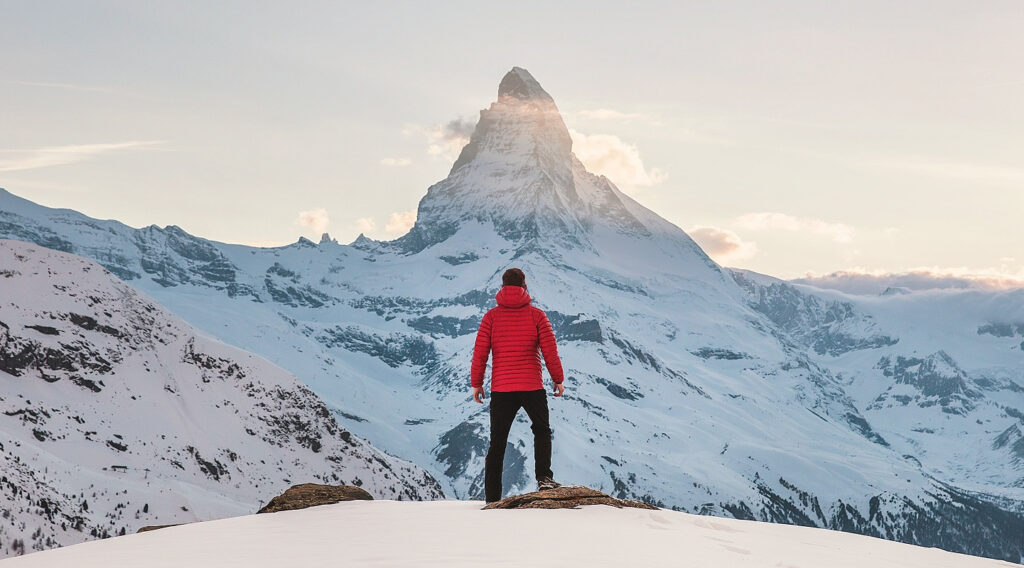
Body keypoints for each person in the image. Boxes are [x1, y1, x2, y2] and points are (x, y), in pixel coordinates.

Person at [471, 267, 565, 503]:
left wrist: (477, 383)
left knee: (498, 441)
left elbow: (480, 353)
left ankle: (492, 497)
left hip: (502, 388)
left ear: (502, 287)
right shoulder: (537, 315)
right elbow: (549, 351)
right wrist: (558, 379)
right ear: (524, 286)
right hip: (531, 385)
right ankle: (544, 477)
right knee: (541, 430)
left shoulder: (490, 317)